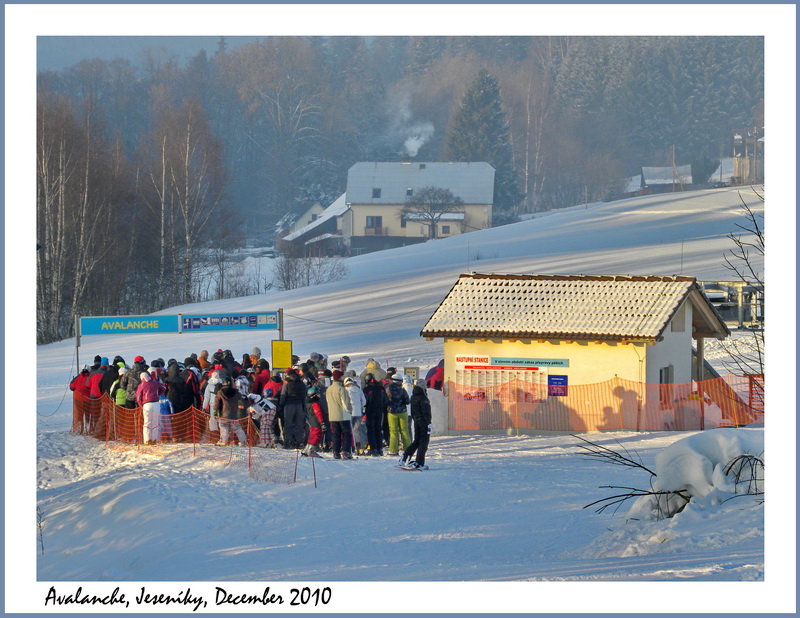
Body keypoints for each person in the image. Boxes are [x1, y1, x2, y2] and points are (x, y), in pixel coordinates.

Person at [401, 380, 433, 470]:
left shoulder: (413, 396)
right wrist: (429, 423)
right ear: (423, 386)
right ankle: (419, 463)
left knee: (416, 441)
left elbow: (413, 411)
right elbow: (426, 412)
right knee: (424, 443)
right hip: (424, 422)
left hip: (417, 421)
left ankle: (405, 458)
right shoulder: (423, 397)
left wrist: (416, 420)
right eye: (425, 385)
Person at [326, 370, 353, 459]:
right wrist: (350, 410)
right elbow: (345, 403)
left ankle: (335, 452)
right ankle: (346, 451)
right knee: (346, 433)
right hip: (342, 415)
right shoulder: (342, 389)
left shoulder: (329, 389)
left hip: (332, 415)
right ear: (339, 378)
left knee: (335, 434)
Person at [278, 369, 308, 449]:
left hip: (289, 404)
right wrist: (303, 406)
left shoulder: (287, 382)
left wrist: (281, 405)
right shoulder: (301, 382)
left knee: (288, 424)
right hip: (299, 405)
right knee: (299, 424)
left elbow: (283, 393)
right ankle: (299, 442)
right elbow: (304, 395)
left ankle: (288, 441)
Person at [214, 377, 248, 446]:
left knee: (224, 429)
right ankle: (243, 442)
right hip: (234, 415)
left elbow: (216, 403)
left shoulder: (220, 392)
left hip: (223, 415)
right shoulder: (236, 392)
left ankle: (224, 441)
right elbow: (241, 398)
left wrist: (215, 411)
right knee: (238, 429)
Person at [385, 373, 411, 457]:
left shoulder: (388, 389)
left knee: (393, 432)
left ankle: (393, 450)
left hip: (392, 413)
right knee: (404, 431)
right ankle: (408, 449)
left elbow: (385, 401)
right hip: (403, 412)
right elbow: (407, 401)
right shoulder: (402, 390)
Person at [136, 372, 166, 444]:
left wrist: (140, 404)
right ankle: (155, 439)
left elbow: (138, 396)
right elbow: (164, 388)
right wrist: (158, 394)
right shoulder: (155, 383)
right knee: (155, 422)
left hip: (147, 404)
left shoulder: (142, 385)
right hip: (156, 403)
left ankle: (147, 440)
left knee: (147, 422)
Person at [362, 373, 387, 456]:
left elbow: (365, 401)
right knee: (378, 429)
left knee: (371, 429)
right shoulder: (381, 388)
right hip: (380, 411)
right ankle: (380, 448)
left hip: (370, 411)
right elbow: (385, 400)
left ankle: (373, 448)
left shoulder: (367, 389)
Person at [344, 376, 368, 455]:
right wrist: (360, 407)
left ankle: (351, 447)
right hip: (358, 413)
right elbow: (364, 401)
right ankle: (359, 448)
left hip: (349, 413)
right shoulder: (359, 390)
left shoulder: (346, 390)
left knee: (349, 430)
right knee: (357, 430)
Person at [301, 387, 325, 457]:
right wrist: (322, 422)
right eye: (317, 394)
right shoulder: (315, 404)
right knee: (316, 435)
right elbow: (318, 413)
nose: (319, 395)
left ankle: (307, 449)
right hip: (316, 422)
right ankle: (311, 450)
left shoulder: (308, 403)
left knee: (312, 435)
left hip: (311, 421)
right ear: (314, 395)